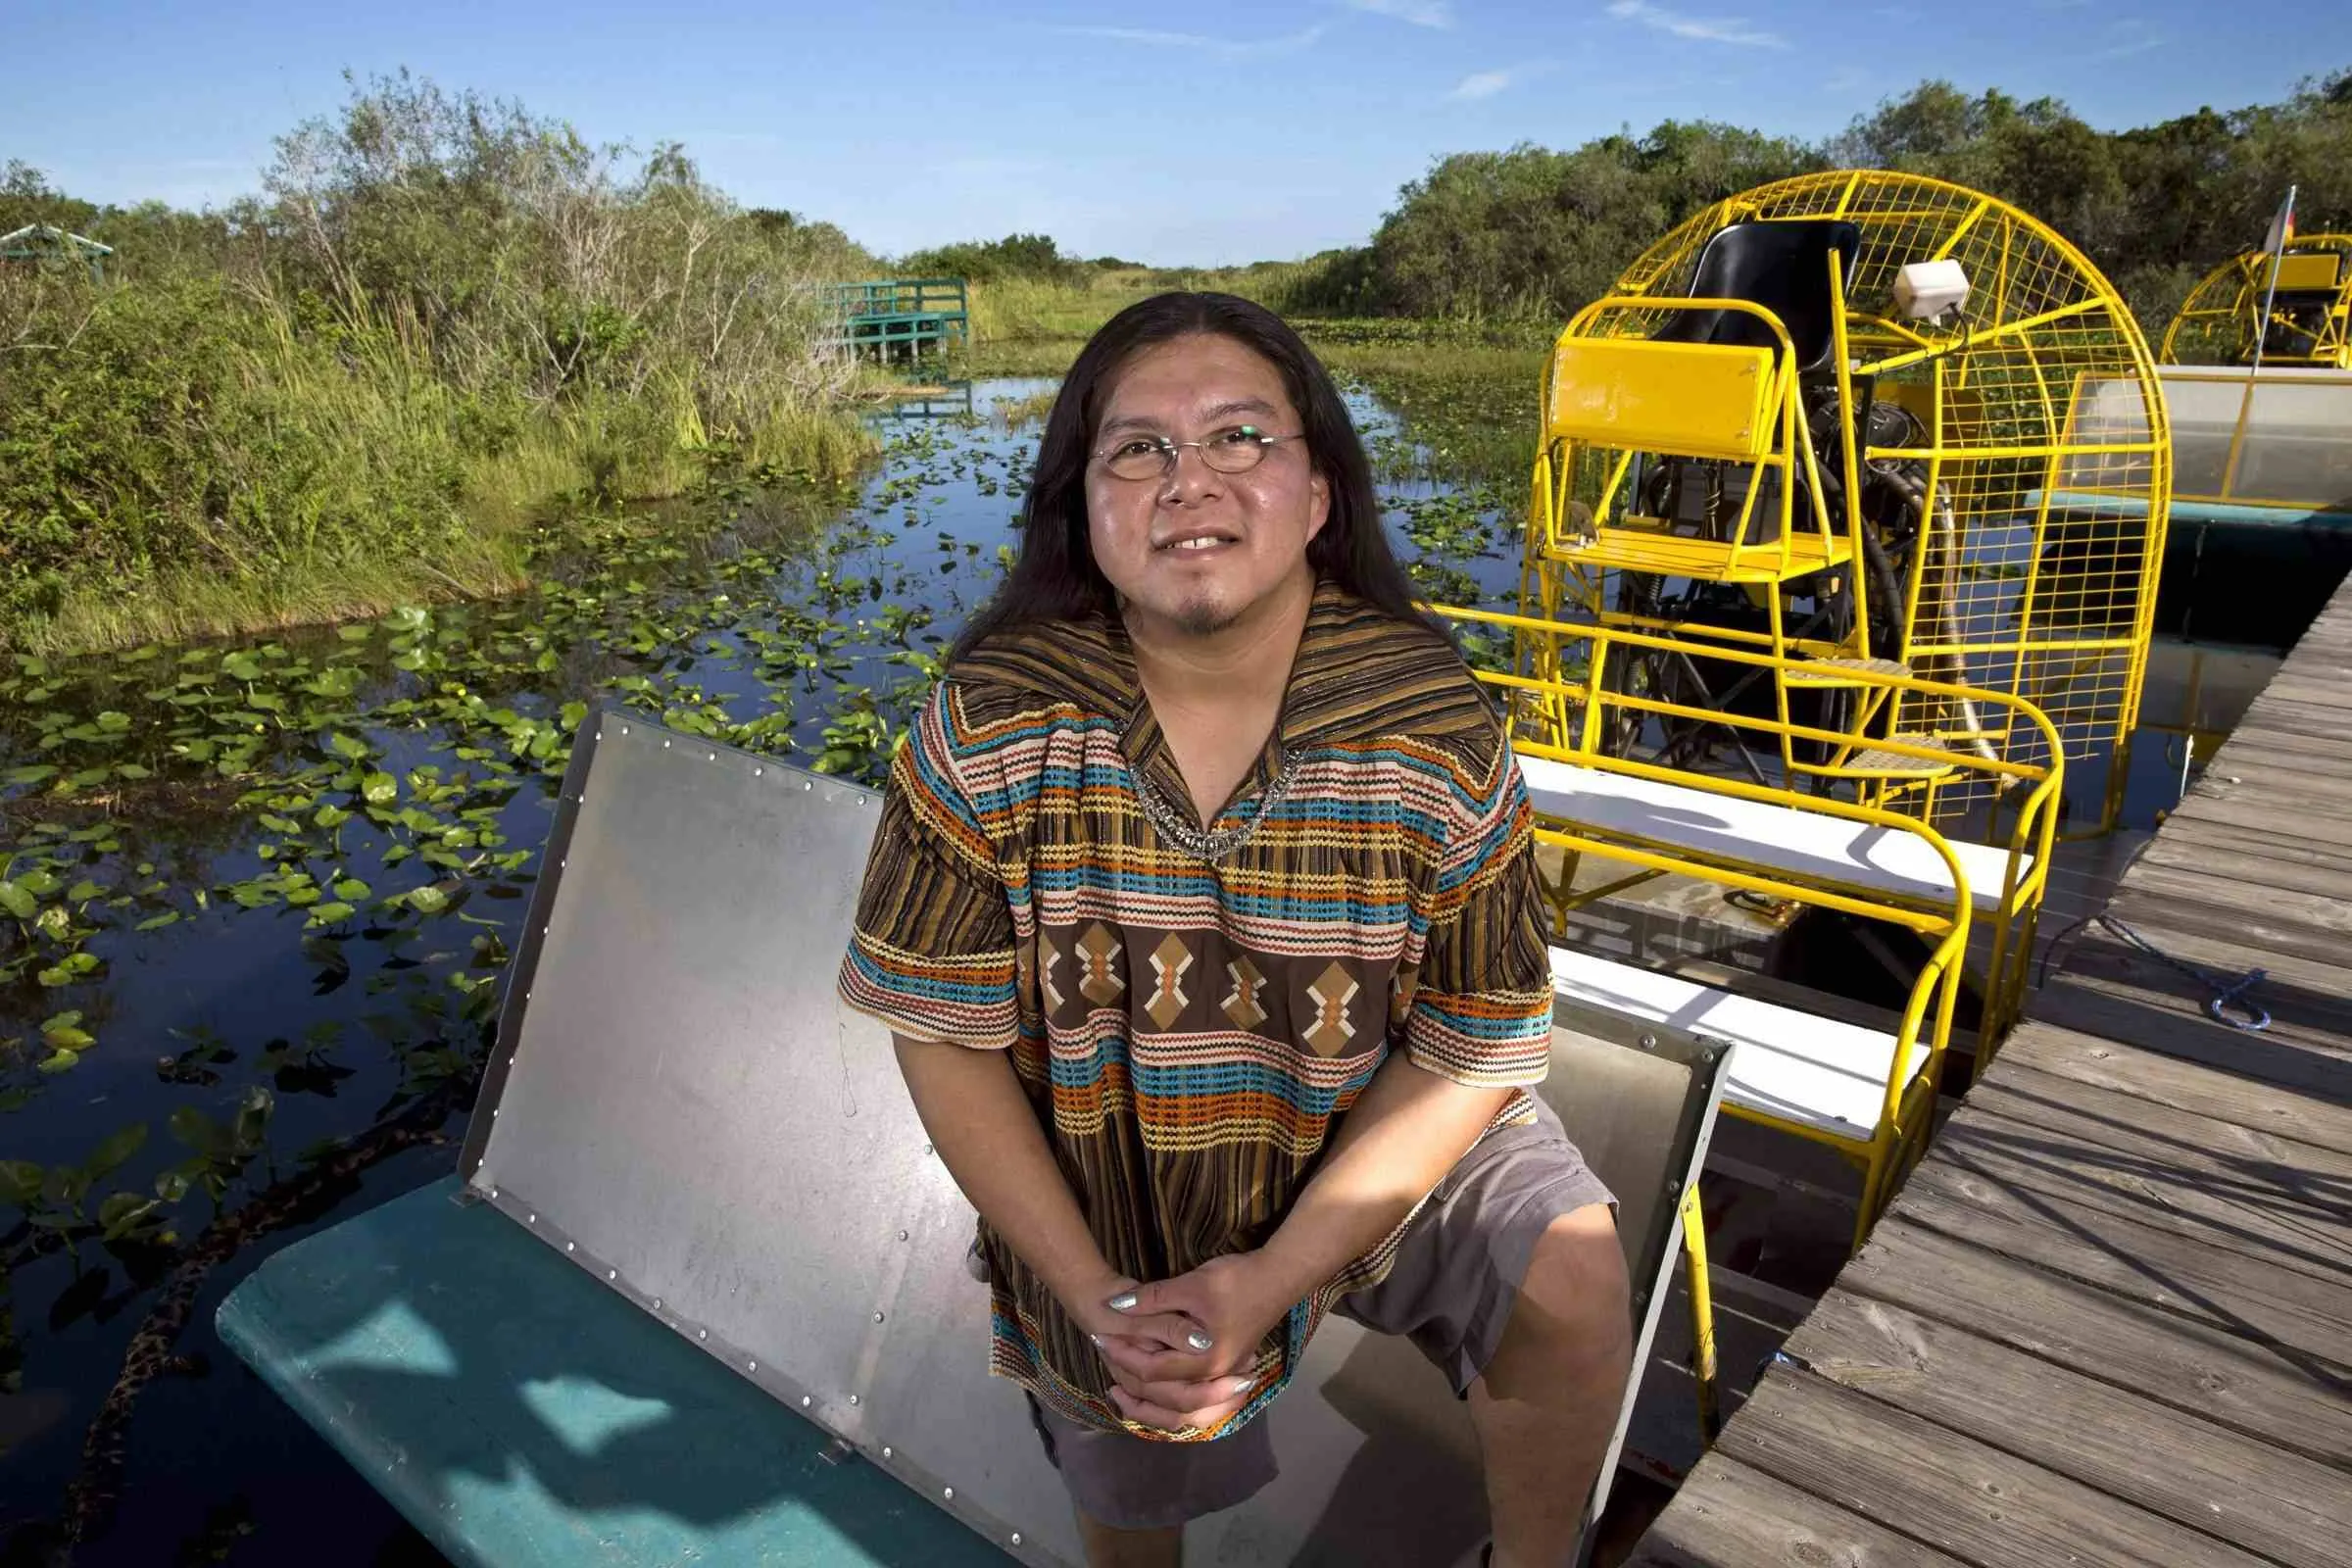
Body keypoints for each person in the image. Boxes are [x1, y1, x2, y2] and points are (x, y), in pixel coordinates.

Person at [837, 292, 1630, 1568]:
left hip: (1373, 1114)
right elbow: (941, 1034)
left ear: (1319, 494)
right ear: (1085, 513)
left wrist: (1273, 1278)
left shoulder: (1435, 728)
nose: (1187, 477)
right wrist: (1092, 1293)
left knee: (1571, 1269)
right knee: (1130, 1431)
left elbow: (1472, 1045)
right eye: (1136, 449)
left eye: (1240, 438)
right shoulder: (989, 725)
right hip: (1109, 1145)